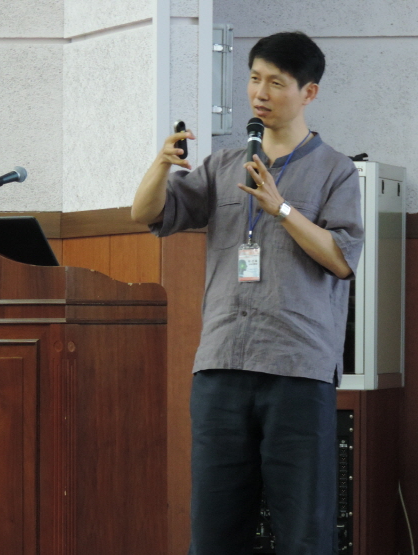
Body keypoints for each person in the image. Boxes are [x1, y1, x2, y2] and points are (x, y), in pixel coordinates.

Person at [132, 30, 363, 555]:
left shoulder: (336, 169)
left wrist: (281, 208)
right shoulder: (222, 165)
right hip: (221, 365)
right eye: (254, 79)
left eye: (276, 82)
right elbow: (146, 213)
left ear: (308, 92)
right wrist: (161, 163)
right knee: (214, 532)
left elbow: (342, 258)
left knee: (304, 532)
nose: (260, 93)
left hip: (297, 368)